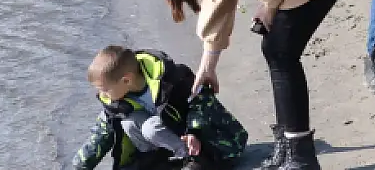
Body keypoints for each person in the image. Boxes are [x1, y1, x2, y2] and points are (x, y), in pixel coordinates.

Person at [122, 0, 363, 170]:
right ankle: (287, 149)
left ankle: (300, 156)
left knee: (280, 52)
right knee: (276, 50)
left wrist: (269, 6)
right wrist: (208, 65)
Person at [73, 45, 247, 170]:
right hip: (173, 142)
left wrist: (195, 132)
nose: (102, 95)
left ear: (126, 80)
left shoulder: (172, 79)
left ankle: (194, 160)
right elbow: (100, 135)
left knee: (151, 128)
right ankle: (155, 161)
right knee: (129, 122)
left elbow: (202, 102)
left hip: (215, 144)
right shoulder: (117, 99)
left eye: (104, 89)